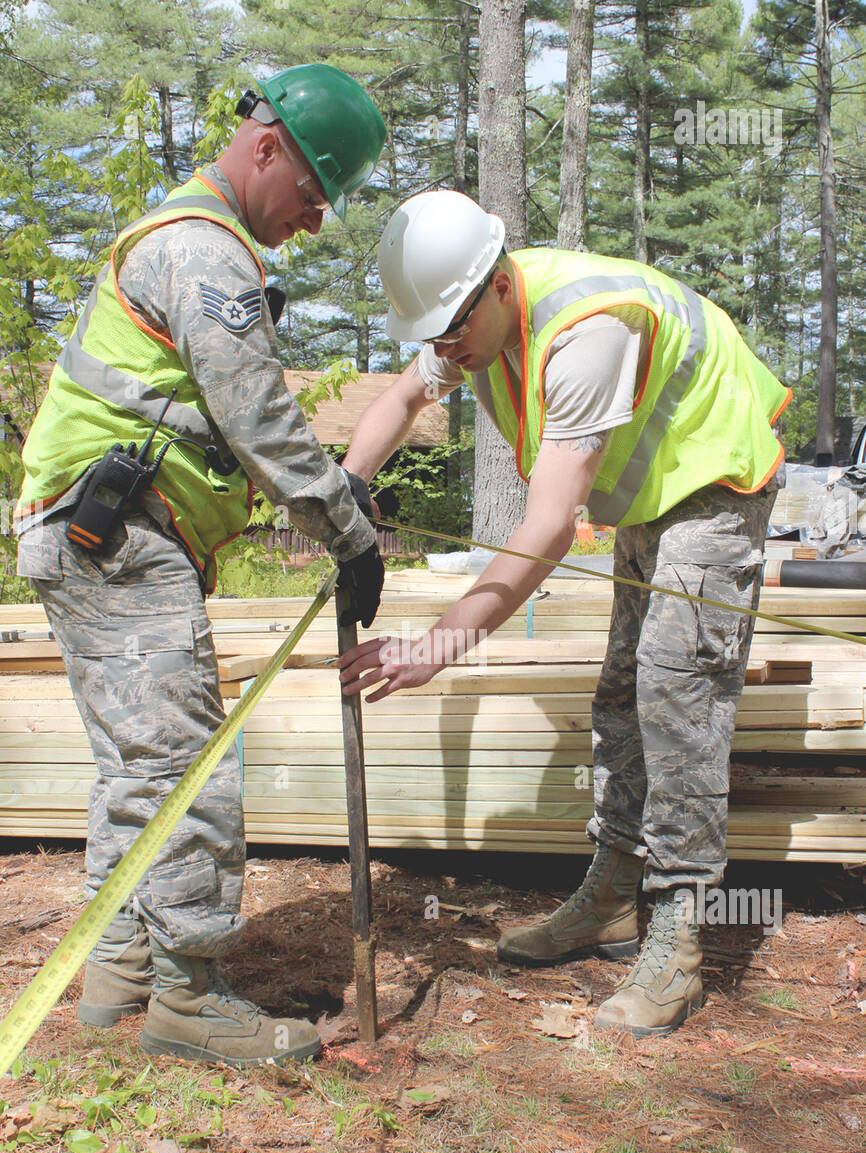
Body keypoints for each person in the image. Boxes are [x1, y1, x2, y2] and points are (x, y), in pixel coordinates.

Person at [337, 188, 791, 1038]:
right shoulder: (469, 319)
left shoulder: (583, 336)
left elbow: (546, 530)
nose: (446, 353)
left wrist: (440, 645)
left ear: (500, 286)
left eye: (453, 333)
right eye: (433, 336)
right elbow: (401, 401)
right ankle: (613, 899)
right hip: (653, 491)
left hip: (716, 478)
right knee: (622, 692)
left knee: (675, 694)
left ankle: (680, 936)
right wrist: (347, 493)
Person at [15, 64, 388, 1065]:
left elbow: (226, 426)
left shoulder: (185, 239)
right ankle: (188, 998)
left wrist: (326, 497)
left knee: (136, 766)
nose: (309, 222)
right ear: (265, 146)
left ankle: (119, 967)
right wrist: (347, 532)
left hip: (99, 534)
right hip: (119, 538)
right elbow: (258, 420)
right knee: (185, 768)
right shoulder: (203, 253)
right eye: (310, 194)